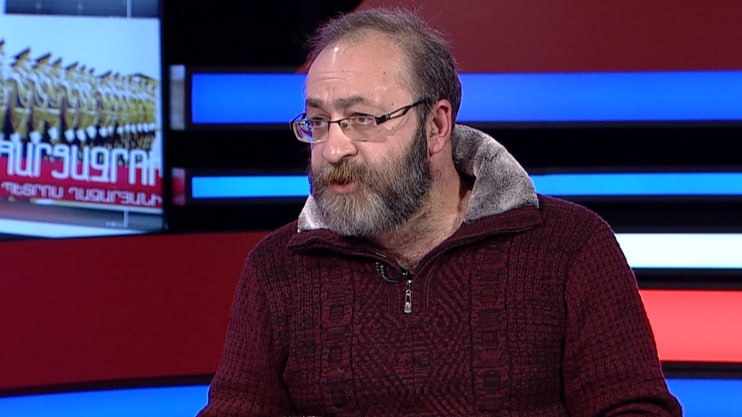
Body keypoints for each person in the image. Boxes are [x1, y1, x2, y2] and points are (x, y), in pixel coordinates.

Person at [197, 8, 682, 417]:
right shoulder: (277, 269)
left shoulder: (570, 247)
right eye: (319, 121)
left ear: (436, 126)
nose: (333, 148)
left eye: (362, 119)